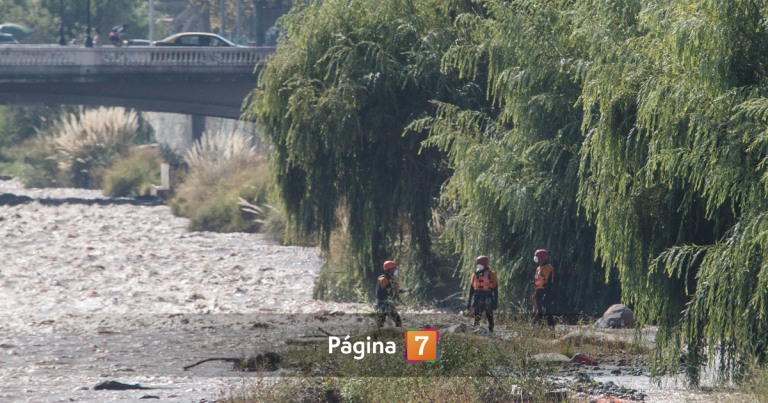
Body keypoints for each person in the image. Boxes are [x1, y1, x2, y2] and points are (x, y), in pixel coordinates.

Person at [466, 255, 498, 332]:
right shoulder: (475, 274)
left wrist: (495, 302)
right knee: (477, 315)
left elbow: (495, 289)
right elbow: (471, 289)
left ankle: (491, 331)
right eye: (478, 264)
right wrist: (469, 301)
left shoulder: (491, 274)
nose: (479, 265)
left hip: (488, 296)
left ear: (485, 264)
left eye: (480, 264)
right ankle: (475, 328)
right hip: (477, 297)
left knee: (489, 315)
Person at [375, 260, 405, 327]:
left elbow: (393, 290)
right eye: (394, 268)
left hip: (386, 303)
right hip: (384, 304)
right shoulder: (383, 279)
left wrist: (404, 291)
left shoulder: (389, 278)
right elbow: (390, 291)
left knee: (381, 323)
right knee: (397, 320)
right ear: (390, 269)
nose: (396, 270)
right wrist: (402, 291)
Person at [532, 249, 555, 326]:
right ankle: (540, 327)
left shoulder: (546, 268)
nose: (535, 258)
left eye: (537, 256)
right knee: (539, 312)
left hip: (545, 291)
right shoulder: (539, 267)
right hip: (538, 292)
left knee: (547, 311)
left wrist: (546, 295)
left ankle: (550, 328)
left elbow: (549, 282)